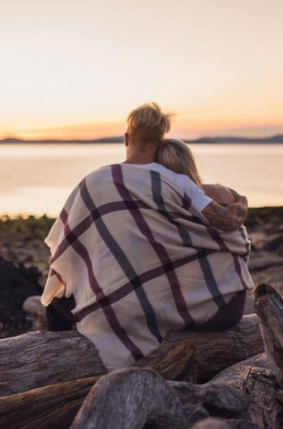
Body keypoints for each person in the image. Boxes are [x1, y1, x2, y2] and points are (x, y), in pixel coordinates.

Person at [41, 103, 253, 370]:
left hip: (128, 306)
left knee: (58, 305)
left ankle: (65, 371)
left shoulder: (95, 181)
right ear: (160, 140)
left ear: (126, 138)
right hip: (202, 306)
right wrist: (241, 200)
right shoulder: (179, 182)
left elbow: (65, 249)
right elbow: (228, 223)